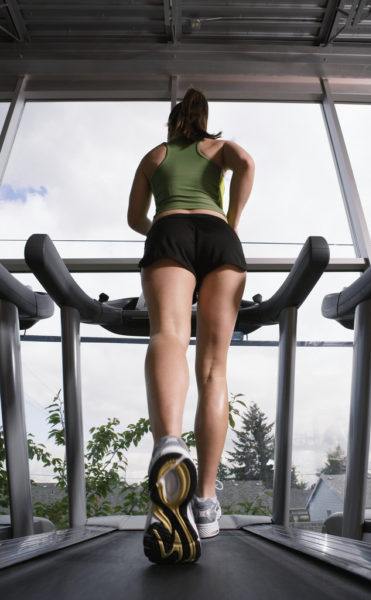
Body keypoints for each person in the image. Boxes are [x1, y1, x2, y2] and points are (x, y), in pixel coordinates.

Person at [127, 88, 254, 564]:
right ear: (204, 118)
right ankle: (204, 502)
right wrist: (230, 221)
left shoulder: (154, 156)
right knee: (215, 367)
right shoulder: (218, 149)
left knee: (169, 336)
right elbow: (247, 164)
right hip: (220, 236)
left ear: (172, 120)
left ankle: (169, 445)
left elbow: (132, 218)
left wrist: (163, 224)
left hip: (168, 230)